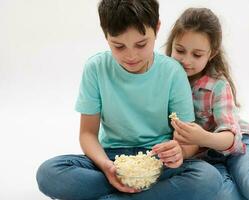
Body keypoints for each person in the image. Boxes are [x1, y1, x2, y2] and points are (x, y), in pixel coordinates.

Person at [36, 1, 223, 200]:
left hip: (158, 161)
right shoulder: (96, 68)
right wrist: (106, 167)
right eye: (119, 46)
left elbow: (188, 140)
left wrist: (180, 152)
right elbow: (88, 134)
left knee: (208, 178)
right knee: (48, 173)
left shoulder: (172, 72)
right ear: (105, 33)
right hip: (111, 159)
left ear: (157, 28)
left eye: (141, 44)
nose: (131, 56)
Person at [166, 7, 249, 200]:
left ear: (211, 54)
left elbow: (231, 137)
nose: (186, 60)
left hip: (239, 144)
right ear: (172, 45)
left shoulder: (217, 85)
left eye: (197, 55)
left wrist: (202, 137)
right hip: (207, 157)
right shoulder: (166, 78)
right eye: (180, 50)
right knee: (226, 196)